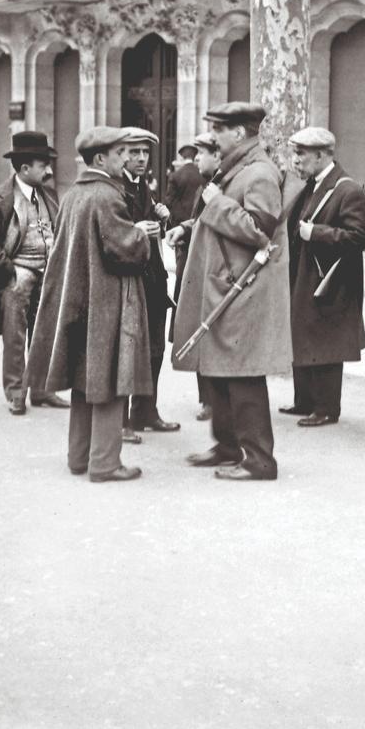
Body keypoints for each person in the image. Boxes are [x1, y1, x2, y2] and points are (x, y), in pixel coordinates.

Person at [167, 102, 291, 481]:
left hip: (242, 291)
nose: (213, 137)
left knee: (243, 375)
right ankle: (226, 446)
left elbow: (258, 229)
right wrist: (190, 227)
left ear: (239, 133)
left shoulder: (259, 174)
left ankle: (259, 460)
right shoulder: (237, 169)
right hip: (224, 288)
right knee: (219, 370)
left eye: (219, 130)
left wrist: (216, 203)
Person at [25, 127, 154, 482]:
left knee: (85, 381)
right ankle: (105, 463)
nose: (126, 159)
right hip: (107, 304)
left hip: (79, 303)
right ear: (101, 159)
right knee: (111, 380)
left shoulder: (73, 194)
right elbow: (125, 250)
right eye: (119, 154)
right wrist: (143, 235)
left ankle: (79, 457)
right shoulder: (108, 197)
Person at [0, 131, 67, 415]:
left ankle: (42, 390)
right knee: (15, 336)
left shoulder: (49, 195)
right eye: (43, 165)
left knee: (45, 333)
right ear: (24, 168)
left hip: (48, 274)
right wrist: (11, 271)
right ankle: (16, 391)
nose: (49, 170)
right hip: (17, 278)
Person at [280, 126, 365, 427]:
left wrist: (315, 232)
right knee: (304, 336)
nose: (296, 160)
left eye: (301, 154)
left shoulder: (347, 189)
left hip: (331, 281)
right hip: (306, 275)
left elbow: (358, 237)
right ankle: (304, 401)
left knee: (327, 344)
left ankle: (327, 408)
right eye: (295, 153)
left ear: (321, 155)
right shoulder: (311, 186)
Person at [118, 128, 180, 435]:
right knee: (127, 351)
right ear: (120, 154)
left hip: (153, 281)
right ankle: (120, 421)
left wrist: (163, 219)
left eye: (144, 152)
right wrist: (138, 229)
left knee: (155, 350)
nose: (141, 158)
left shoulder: (143, 186)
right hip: (129, 283)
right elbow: (111, 236)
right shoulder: (115, 188)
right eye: (134, 152)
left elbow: (154, 230)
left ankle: (146, 412)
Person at [166, 133, 217, 422]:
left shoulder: (222, 187)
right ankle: (206, 398)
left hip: (211, 270)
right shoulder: (204, 186)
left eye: (203, 153)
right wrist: (185, 228)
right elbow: (200, 219)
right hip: (193, 265)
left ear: (218, 155)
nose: (197, 158)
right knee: (196, 331)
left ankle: (214, 400)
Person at [163, 142, 204, 228]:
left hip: (180, 222)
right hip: (198, 220)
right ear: (194, 156)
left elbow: (169, 201)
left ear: (182, 157)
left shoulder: (175, 175)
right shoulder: (202, 175)